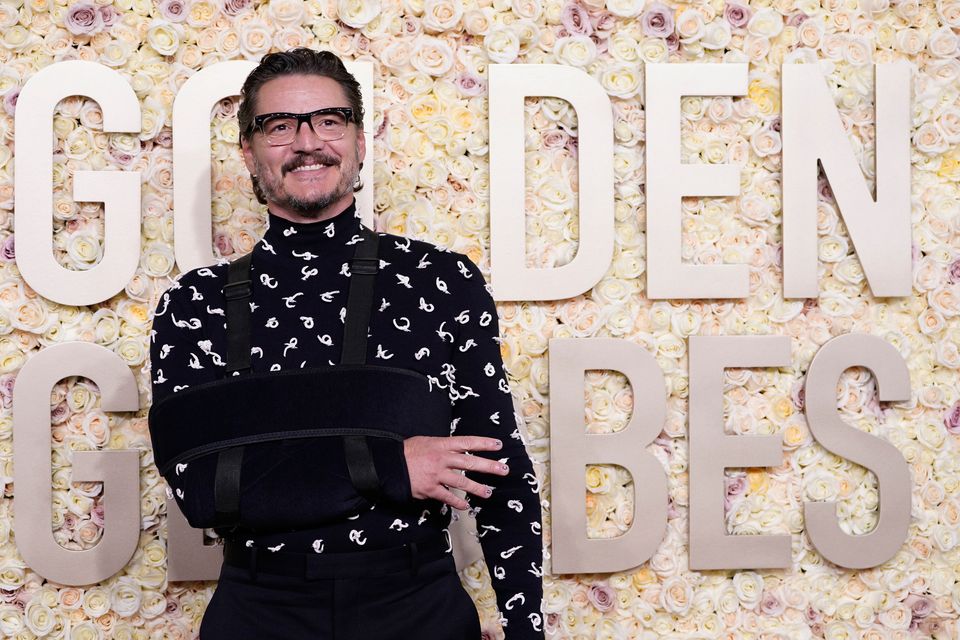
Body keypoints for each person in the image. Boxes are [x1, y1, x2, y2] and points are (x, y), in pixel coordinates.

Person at [148, 48, 544, 639]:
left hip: (418, 606)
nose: (308, 142)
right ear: (249, 153)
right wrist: (392, 464)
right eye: (279, 126)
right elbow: (205, 491)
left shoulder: (441, 282)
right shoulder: (193, 304)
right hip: (259, 611)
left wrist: (525, 629)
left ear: (359, 142)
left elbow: (497, 472)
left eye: (329, 120)